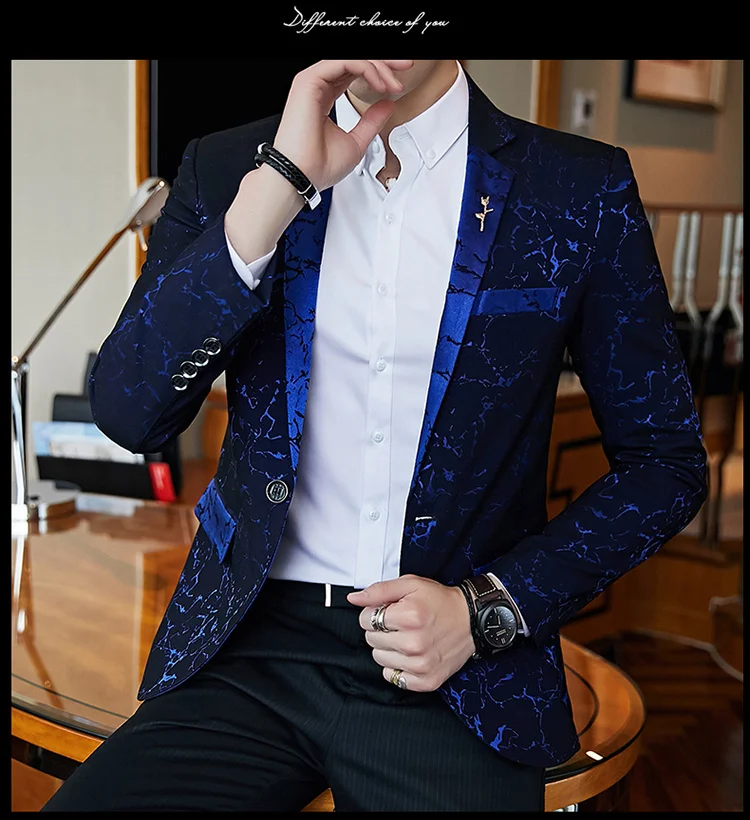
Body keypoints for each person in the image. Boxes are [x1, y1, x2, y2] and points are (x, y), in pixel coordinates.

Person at [42, 59, 708, 812]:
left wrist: (486, 609)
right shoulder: (228, 167)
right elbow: (129, 414)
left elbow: (665, 464)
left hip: (455, 669)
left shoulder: (579, 187)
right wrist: (279, 184)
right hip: (250, 642)